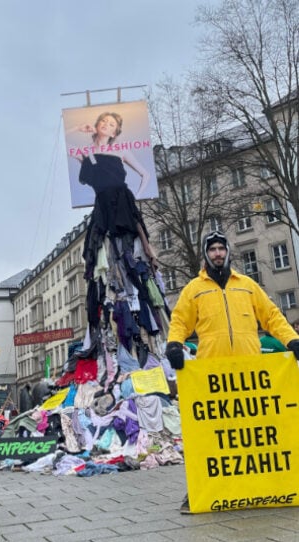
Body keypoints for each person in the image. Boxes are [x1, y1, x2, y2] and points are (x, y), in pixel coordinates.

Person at [166, 231, 299, 511]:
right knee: (214, 436)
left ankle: (265, 485)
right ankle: (201, 489)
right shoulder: (194, 289)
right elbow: (179, 320)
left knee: (255, 434)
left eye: (221, 249)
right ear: (206, 254)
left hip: (249, 374)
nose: (217, 254)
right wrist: (174, 345)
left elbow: (272, 316)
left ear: (227, 252)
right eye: (212, 249)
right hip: (213, 375)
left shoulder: (248, 286)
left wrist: (291, 339)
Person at [69, 111, 151, 199]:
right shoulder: (85, 152)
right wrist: (77, 128)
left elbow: (145, 174)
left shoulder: (120, 150)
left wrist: (137, 196)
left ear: (113, 134)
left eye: (111, 124)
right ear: (97, 124)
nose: (106, 124)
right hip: (102, 203)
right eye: (103, 120)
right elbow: (61, 144)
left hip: (123, 201)